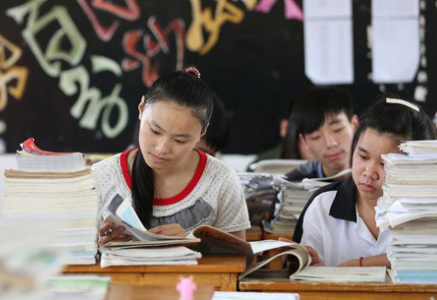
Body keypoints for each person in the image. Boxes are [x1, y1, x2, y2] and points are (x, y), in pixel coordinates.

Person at [94, 68, 251, 246]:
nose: (161, 149)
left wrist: (192, 242)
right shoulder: (100, 177)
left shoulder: (221, 180)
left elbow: (238, 261)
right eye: (154, 131)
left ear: (202, 132)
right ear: (141, 109)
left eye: (179, 140)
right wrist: (94, 247)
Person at [292, 96, 437, 266]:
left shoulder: (432, 211)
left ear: (417, 167)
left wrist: (357, 265)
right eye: (363, 156)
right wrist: (310, 268)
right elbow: (305, 279)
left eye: (385, 164)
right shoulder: (323, 206)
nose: (369, 173)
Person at [285, 86, 358, 181]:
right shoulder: (295, 184)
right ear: (304, 141)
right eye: (316, 137)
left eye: (337, 130)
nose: (330, 143)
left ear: (354, 125)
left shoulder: (379, 173)